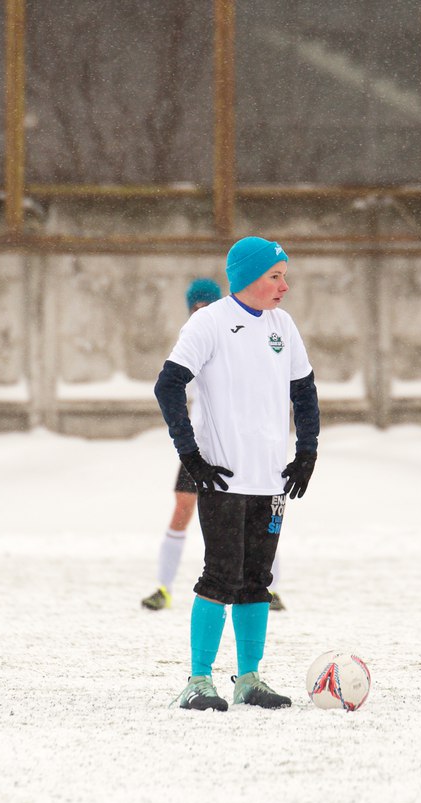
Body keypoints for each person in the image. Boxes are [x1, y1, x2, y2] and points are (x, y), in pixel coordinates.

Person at [154, 236, 319, 711]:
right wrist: (191, 454)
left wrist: (306, 452)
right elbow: (168, 386)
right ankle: (198, 680)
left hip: (271, 482)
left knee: (256, 580)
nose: (285, 285)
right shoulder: (209, 323)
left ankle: (249, 679)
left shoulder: (283, 326)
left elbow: (304, 393)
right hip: (223, 478)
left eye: (284, 275)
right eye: (276, 276)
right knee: (219, 577)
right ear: (248, 277)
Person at [142, 281, 288, 613]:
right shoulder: (192, 337)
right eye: (197, 306)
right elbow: (172, 386)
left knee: (256, 513)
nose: (203, 310)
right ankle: (163, 587)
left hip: (238, 445)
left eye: (208, 304)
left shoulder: (236, 332)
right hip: (201, 446)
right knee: (182, 507)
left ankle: (271, 588)